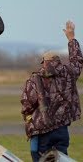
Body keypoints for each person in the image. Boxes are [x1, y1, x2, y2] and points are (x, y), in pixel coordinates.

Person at [20, 21, 82, 161]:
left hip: (42, 130)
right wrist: (71, 38)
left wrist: (28, 117)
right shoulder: (69, 73)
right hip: (62, 129)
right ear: (59, 61)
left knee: (40, 158)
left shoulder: (35, 79)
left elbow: (27, 103)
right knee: (61, 158)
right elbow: (77, 60)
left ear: (43, 62)